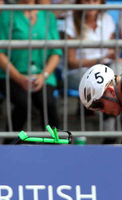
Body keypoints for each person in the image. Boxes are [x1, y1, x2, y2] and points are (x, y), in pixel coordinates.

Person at [0, 0, 62, 134]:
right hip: (11, 76)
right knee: (23, 104)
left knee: (48, 103)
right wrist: (19, 78)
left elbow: (56, 53)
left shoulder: (48, 16)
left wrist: (43, 75)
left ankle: (55, 147)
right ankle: (11, 145)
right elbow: (1, 54)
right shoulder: (6, 16)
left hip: (43, 75)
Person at [65, 0, 122, 131]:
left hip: (104, 70)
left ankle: (109, 125)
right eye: (87, 0)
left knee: (120, 69)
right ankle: (110, 128)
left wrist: (117, 58)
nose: (91, 3)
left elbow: (110, 52)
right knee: (104, 84)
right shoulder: (70, 21)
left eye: (95, 0)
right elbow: (71, 62)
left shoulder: (107, 19)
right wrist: (98, 60)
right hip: (79, 73)